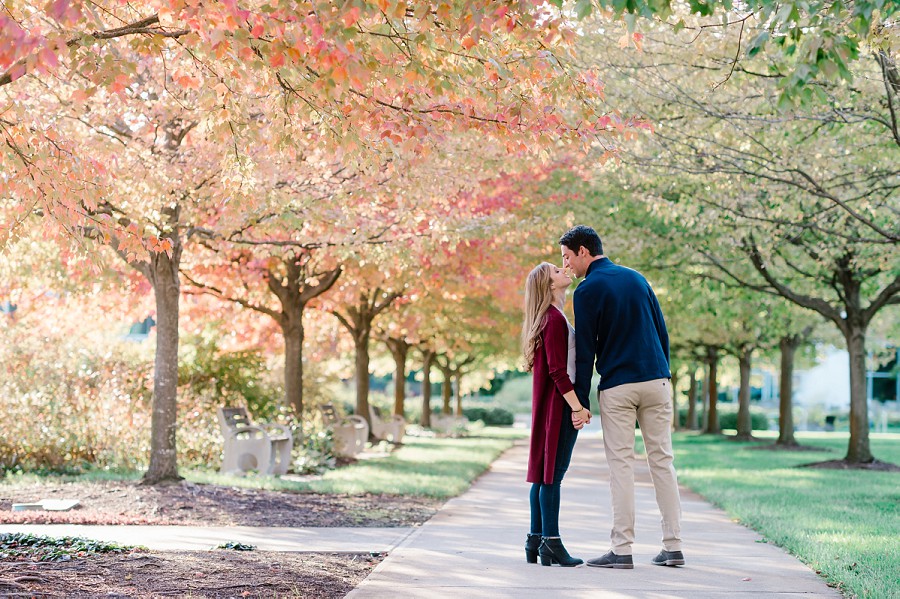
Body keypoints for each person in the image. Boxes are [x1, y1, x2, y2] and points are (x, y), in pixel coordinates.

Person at [560, 225, 684, 570]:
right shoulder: (637, 278)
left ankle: (622, 549)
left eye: (567, 257)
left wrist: (580, 402)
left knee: (622, 466)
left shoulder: (586, 291)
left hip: (618, 386)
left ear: (584, 251)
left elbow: (585, 351)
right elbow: (662, 332)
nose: (567, 266)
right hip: (657, 380)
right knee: (663, 461)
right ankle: (673, 546)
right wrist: (664, 373)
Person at [521, 262, 593, 567]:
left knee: (543, 475)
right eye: (556, 270)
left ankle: (535, 539)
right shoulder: (552, 319)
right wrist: (577, 407)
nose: (563, 268)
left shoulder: (551, 317)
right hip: (558, 407)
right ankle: (551, 542)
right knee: (552, 476)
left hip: (551, 405)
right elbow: (557, 371)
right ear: (549, 285)